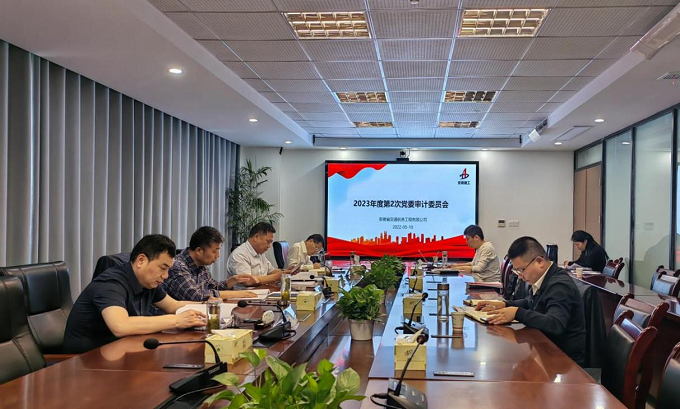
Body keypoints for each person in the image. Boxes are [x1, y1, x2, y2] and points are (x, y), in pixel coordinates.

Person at [63, 235, 207, 353]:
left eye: (168, 269)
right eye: (163, 268)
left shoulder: (148, 282)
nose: (166, 275)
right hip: (86, 360)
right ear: (141, 261)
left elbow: (173, 305)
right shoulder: (110, 283)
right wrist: (177, 321)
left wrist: (210, 306)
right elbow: (120, 326)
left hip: (119, 352)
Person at [476, 236, 586, 366]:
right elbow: (530, 302)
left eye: (521, 270)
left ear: (539, 261)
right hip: (545, 349)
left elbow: (555, 324)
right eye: (517, 271)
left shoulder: (559, 285)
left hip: (563, 361)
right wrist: (504, 304)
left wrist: (517, 313)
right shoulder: (545, 277)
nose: (520, 277)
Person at [163, 226, 257, 301]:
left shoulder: (201, 264)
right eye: (215, 251)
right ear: (199, 251)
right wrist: (236, 294)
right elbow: (196, 295)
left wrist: (232, 281)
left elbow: (211, 286)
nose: (218, 255)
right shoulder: (178, 267)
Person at [226, 222, 295, 289]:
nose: (269, 246)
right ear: (256, 237)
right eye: (268, 241)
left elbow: (271, 271)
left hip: (262, 291)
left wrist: (286, 272)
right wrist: (276, 277)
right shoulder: (240, 254)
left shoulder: (260, 253)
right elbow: (248, 281)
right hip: (244, 294)